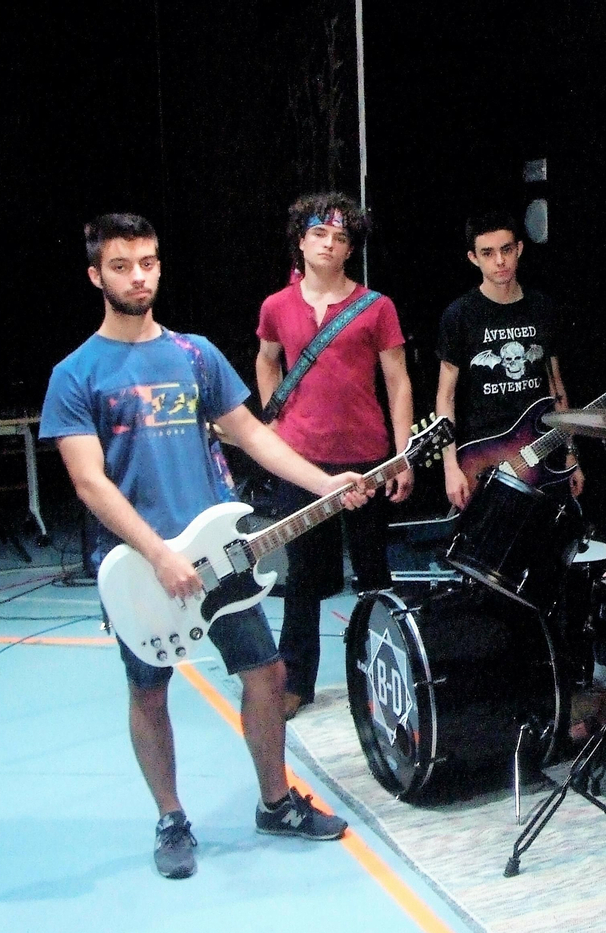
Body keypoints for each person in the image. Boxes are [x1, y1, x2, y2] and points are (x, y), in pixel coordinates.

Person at [42, 214, 371, 880]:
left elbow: (253, 435)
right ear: (95, 276)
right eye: (122, 265)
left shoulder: (195, 355)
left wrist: (325, 485)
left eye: (149, 262)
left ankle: (275, 801)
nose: (139, 276)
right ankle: (171, 818)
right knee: (150, 693)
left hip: (221, 557)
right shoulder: (75, 374)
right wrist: (157, 553)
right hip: (138, 567)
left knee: (268, 675)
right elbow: (88, 482)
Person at [256, 192, 414, 720]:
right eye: (320, 233)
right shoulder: (277, 306)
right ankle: (295, 682)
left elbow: (398, 381)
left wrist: (404, 454)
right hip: (301, 463)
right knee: (301, 578)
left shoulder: (377, 306)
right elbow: (267, 361)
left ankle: (385, 679)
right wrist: (274, 422)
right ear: (301, 239)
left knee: (373, 574)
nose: (330, 244)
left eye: (341, 237)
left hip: (367, 459)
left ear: (350, 249)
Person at [435, 212, 582, 509]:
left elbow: (557, 388)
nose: (499, 261)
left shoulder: (542, 307)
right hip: (484, 455)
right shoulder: (460, 315)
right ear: (473, 258)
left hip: (541, 449)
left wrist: (571, 453)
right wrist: (450, 467)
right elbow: (445, 397)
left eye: (506, 250)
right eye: (488, 253)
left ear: (519, 249)